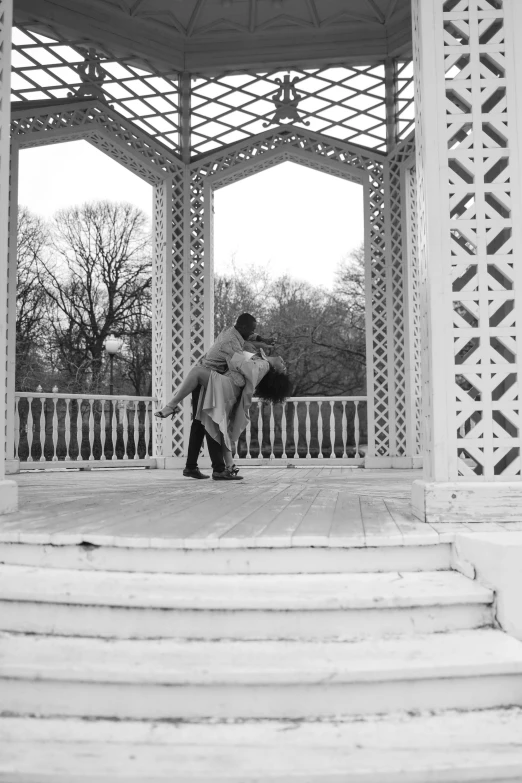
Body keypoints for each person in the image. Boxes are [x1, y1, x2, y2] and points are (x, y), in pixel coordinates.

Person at [155, 313, 279, 480]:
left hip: (208, 379)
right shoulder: (230, 343)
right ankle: (219, 469)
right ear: (241, 327)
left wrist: (263, 339)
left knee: (200, 423)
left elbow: (248, 340)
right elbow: (241, 366)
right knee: (212, 420)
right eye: (251, 329)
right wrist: (265, 361)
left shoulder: (235, 334)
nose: (253, 333)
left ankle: (191, 467)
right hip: (205, 380)